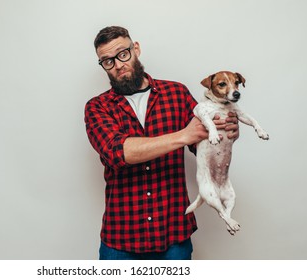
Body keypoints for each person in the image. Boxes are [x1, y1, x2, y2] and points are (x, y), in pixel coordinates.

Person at [84, 26, 239, 260]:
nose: (117, 64)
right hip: (121, 238)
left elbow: (204, 144)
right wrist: (183, 135)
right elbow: (118, 152)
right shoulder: (97, 107)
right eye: (107, 61)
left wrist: (227, 132)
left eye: (123, 54)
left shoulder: (176, 93)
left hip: (173, 232)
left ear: (135, 49)